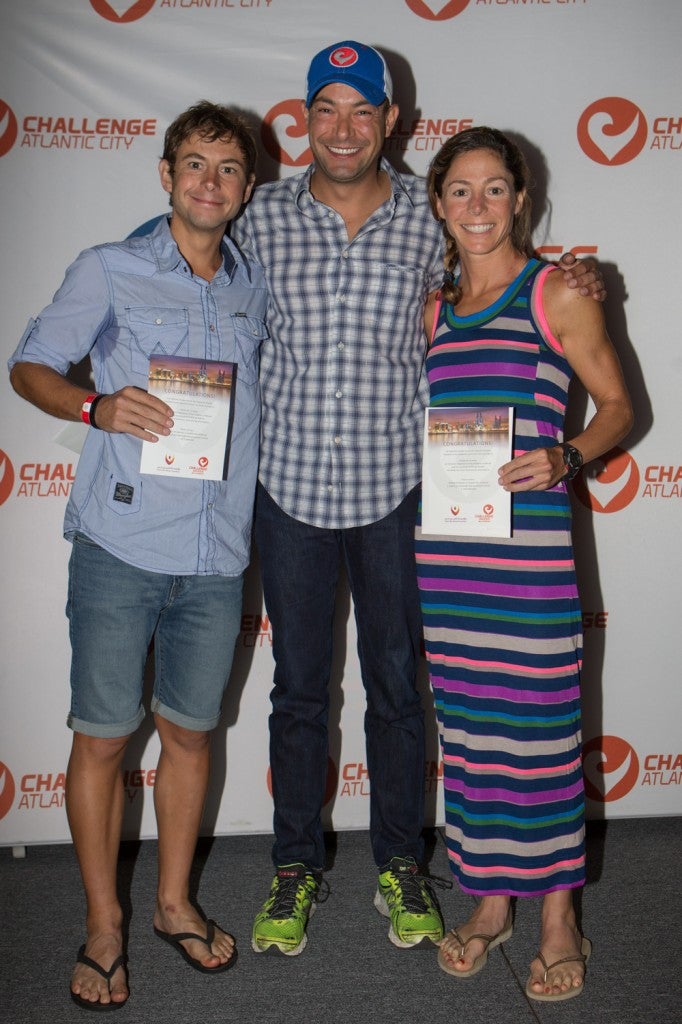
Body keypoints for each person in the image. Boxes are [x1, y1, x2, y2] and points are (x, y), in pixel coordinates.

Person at [230, 40, 607, 958]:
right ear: (304, 118)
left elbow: (510, 273)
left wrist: (579, 280)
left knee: (404, 691)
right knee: (298, 693)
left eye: (365, 110)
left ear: (391, 121)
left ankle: (403, 864)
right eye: (328, 109)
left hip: (403, 493)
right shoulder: (259, 216)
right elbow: (181, 250)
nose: (346, 128)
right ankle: (294, 867)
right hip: (290, 492)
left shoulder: (426, 222)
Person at [8, 101, 268, 1009]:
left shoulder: (254, 286)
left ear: (246, 186)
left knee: (193, 731)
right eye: (194, 165)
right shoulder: (109, 267)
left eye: (228, 169)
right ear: (165, 174)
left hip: (217, 554)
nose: (209, 183)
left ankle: (170, 903)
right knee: (105, 737)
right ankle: (102, 925)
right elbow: (30, 365)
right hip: (120, 545)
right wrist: (94, 405)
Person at [416, 126, 633, 999]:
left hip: (530, 555)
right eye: (460, 189)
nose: (478, 205)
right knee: (471, 733)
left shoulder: (557, 293)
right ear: (438, 203)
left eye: (495, 188)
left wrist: (568, 455)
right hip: (449, 556)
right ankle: (491, 897)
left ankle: (558, 913)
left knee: (539, 733)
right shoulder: (431, 309)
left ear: (521, 200)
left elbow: (618, 406)